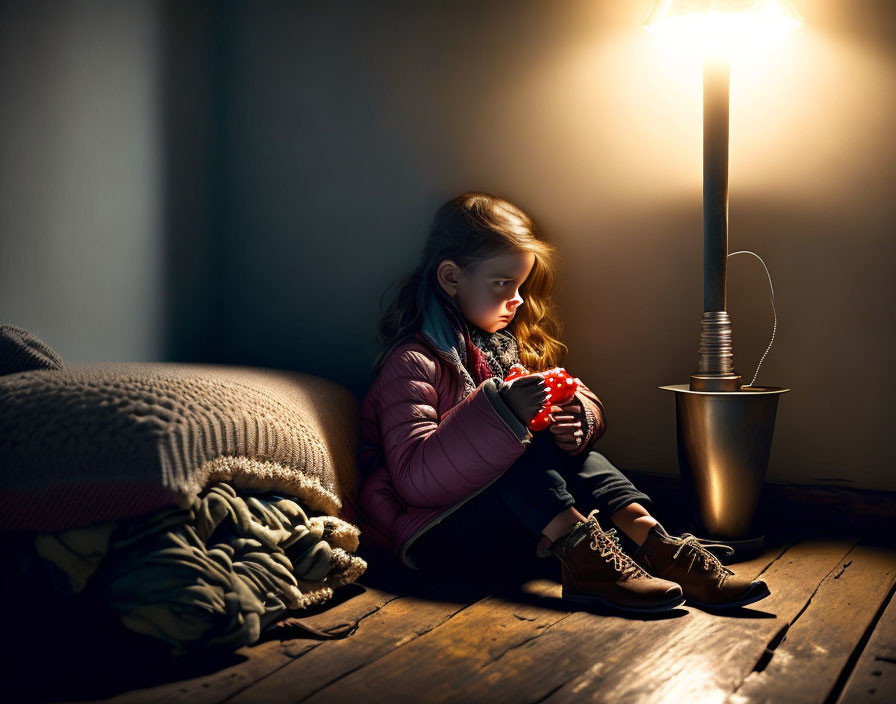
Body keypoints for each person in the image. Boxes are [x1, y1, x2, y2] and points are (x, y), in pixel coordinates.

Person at [346, 191, 770, 613]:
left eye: (521, 285)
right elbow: (414, 479)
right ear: (451, 277)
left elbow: (575, 394)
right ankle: (589, 565)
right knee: (515, 452)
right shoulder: (413, 362)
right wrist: (504, 413)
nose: (517, 299)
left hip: (517, 526)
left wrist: (577, 419)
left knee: (570, 454)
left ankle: (657, 545)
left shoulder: (506, 348)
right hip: (434, 533)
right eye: (502, 284)